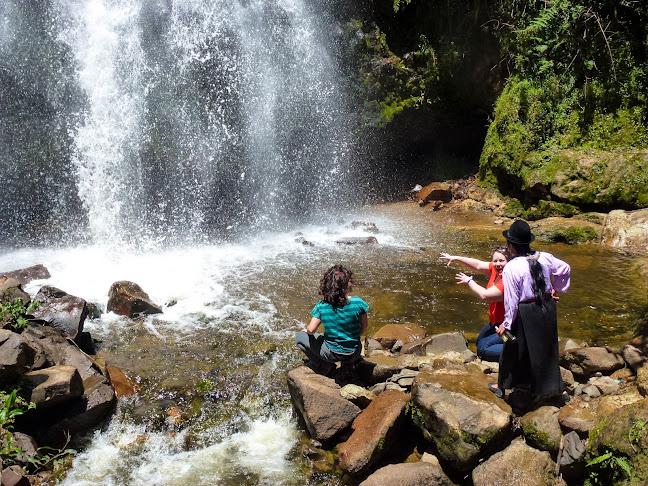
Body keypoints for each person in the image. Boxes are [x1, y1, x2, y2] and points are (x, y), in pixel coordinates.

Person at [490, 219, 571, 406]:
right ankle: (560, 390)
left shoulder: (512, 267)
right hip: (547, 307)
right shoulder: (545, 257)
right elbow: (565, 269)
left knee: (512, 347)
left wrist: (506, 324)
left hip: (527, 311)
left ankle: (502, 386)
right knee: (547, 348)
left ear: (511, 246)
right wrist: (555, 289)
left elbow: (511, 300)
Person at [296, 264, 369, 376]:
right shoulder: (359, 303)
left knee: (300, 337)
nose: (352, 282)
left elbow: (311, 330)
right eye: (350, 280)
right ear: (344, 285)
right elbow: (364, 326)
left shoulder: (322, 305)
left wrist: (307, 332)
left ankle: (323, 364)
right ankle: (348, 364)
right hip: (354, 352)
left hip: (332, 355)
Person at [440, 248, 511, 361]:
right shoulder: (495, 269)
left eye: (502, 261)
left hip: (508, 325)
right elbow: (478, 264)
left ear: (510, 262)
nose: (498, 264)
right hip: (495, 322)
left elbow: (485, 295)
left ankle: (520, 352)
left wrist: (469, 281)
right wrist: (456, 258)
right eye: (495, 261)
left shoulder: (507, 279)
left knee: (483, 350)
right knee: (479, 342)